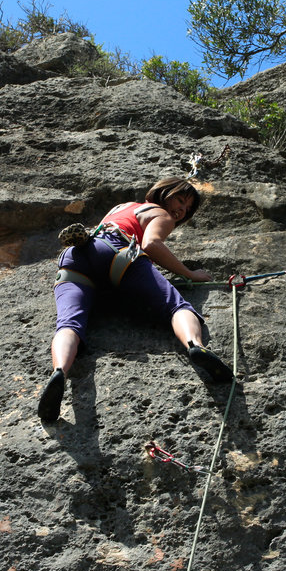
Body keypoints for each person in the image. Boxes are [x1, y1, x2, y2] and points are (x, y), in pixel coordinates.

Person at [39, 177, 233, 424]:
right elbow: (151, 244)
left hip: (75, 256)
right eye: (180, 200)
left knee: (69, 323)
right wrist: (189, 273)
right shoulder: (161, 214)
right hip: (118, 251)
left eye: (186, 209)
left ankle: (59, 371)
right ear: (163, 193)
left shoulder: (120, 207)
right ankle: (195, 345)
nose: (181, 210)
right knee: (176, 305)